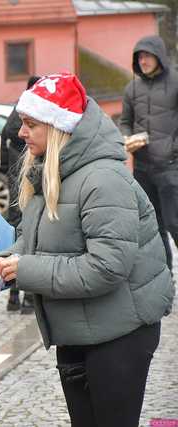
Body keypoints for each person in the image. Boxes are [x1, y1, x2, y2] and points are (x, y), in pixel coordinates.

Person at [0, 73, 175, 427]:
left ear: (59, 128)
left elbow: (106, 267)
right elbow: (35, 239)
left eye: (31, 124)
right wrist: (5, 264)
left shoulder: (103, 179)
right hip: (79, 329)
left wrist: (25, 270)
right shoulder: (53, 171)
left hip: (120, 332)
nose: (20, 132)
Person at [120, 35, 178, 271]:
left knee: (175, 224)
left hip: (171, 167)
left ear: (159, 56)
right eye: (139, 57)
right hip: (142, 170)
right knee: (153, 228)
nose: (143, 61)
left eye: (147, 56)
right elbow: (125, 122)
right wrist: (126, 137)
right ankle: (166, 281)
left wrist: (173, 148)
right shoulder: (132, 88)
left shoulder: (176, 82)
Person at [0, 75, 40, 314]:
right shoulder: (34, 114)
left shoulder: (17, 110)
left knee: (16, 236)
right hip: (28, 186)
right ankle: (28, 299)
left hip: (15, 185)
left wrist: (5, 168)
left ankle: (13, 296)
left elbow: (4, 134)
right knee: (33, 235)